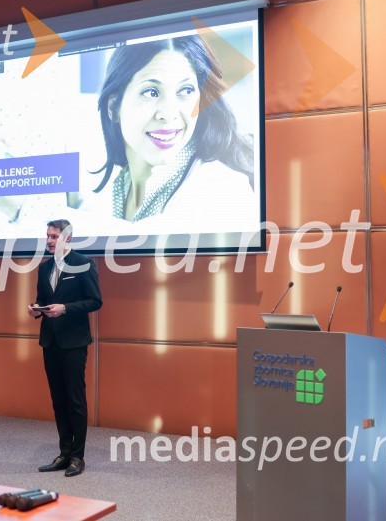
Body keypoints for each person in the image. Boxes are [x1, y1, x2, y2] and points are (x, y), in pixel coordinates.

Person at [93, 34, 256, 225]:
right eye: (151, 92)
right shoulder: (99, 202)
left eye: (186, 91)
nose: (169, 114)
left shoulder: (221, 192)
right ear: (113, 107)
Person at [27, 219, 102, 477]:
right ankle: (64, 453)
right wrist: (36, 309)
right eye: (47, 235)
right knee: (58, 400)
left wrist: (66, 308)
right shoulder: (44, 267)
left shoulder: (84, 263)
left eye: (54, 236)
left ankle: (77, 457)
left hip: (74, 342)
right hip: (50, 340)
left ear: (67, 238)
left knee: (75, 399)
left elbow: (95, 301)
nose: (49, 240)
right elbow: (43, 299)